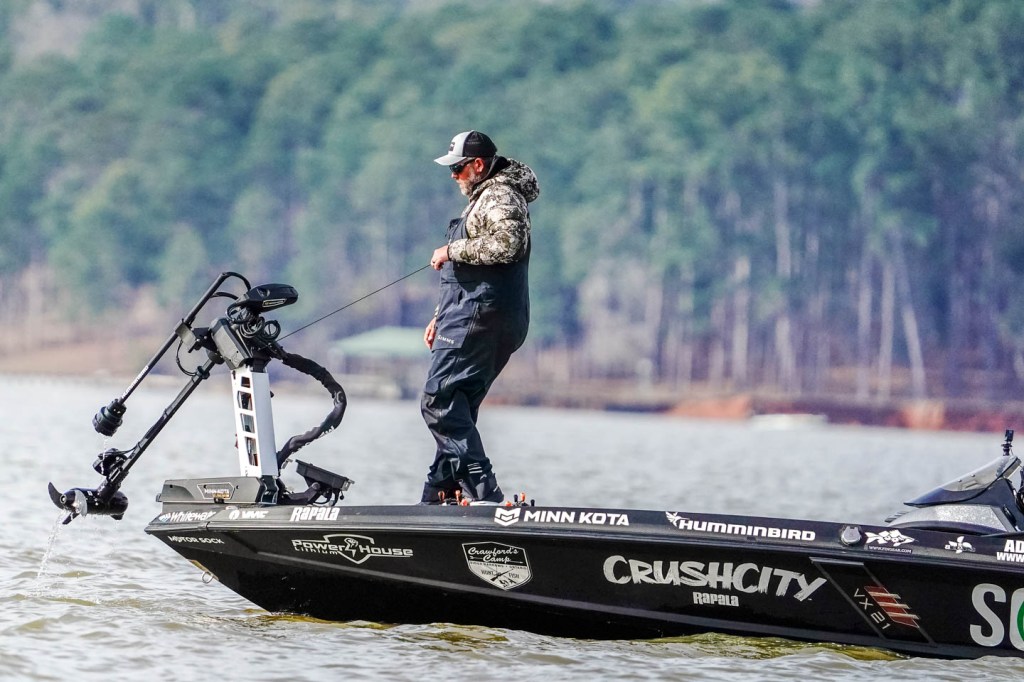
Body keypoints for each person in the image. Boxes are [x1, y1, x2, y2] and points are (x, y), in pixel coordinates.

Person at [419, 130, 540, 505]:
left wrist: (451, 249)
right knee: (457, 406)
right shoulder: (487, 196)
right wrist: (439, 316)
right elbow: (468, 275)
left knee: (438, 401)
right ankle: (441, 497)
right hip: (480, 315)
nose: (453, 176)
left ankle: (484, 493)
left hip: (480, 315)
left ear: (477, 165)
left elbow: (508, 244)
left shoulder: (499, 195)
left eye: (457, 169)